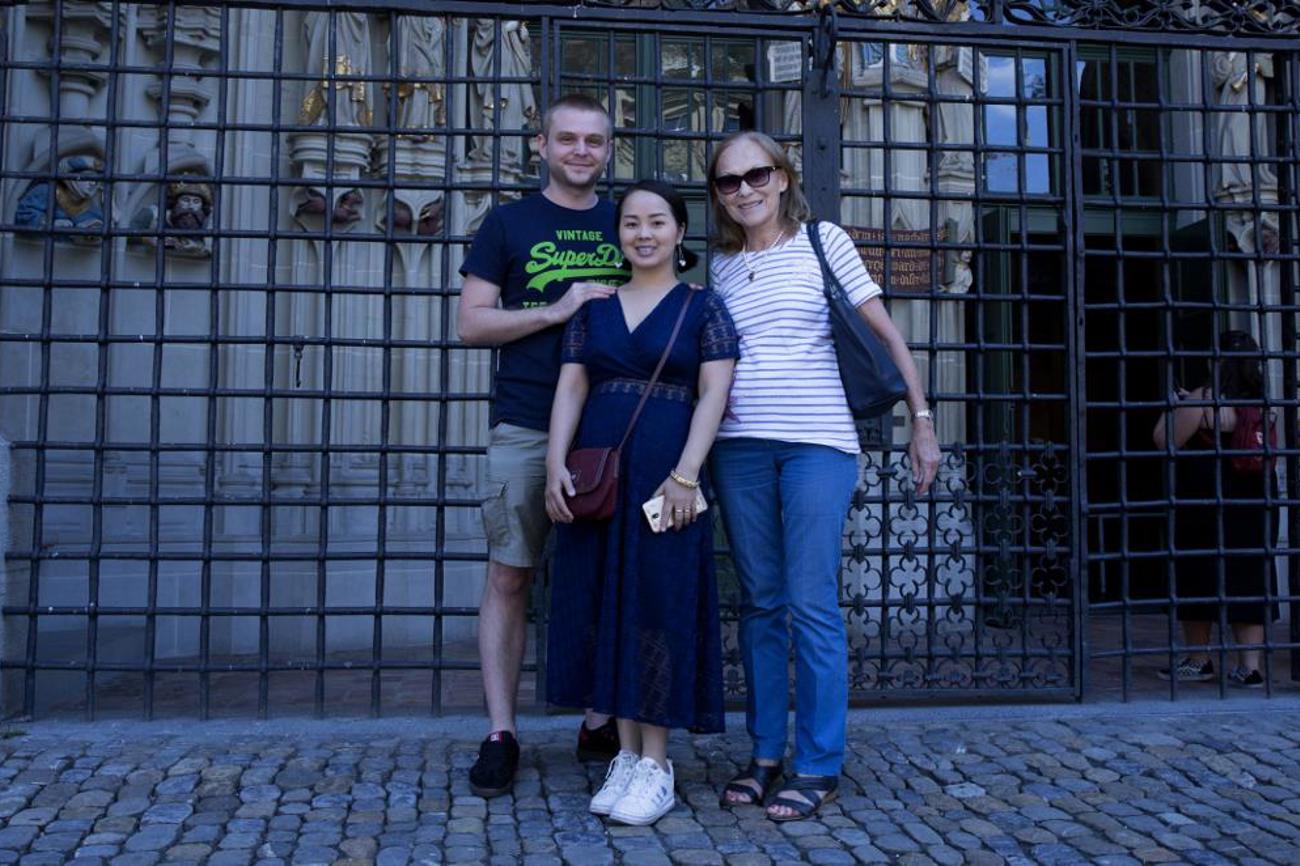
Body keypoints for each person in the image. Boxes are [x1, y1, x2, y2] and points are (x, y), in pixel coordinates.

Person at [705, 131, 941, 820]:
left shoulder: (822, 241)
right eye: (728, 181)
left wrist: (921, 420)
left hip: (817, 445)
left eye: (757, 174)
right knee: (760, 604)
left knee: (809, 601)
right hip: (738, 447)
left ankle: (818, 762)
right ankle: (765, 754)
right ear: (718, 194)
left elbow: (888, 334)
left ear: (782, 177)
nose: (745, 189)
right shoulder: (718, 264)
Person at [544, 179, 738, 826]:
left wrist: (687, 474)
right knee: (607, 605)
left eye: (658, 221)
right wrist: (553, 466)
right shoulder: (593, 308)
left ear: (680, 233)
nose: (644, 233)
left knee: (656, 607)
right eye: (631, 222)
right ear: (618, 233)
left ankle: (657, 762)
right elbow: (571, 390)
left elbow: (715, 394)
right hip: (598, 479)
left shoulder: (702, 307)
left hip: (665, 478)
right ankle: (625, 754)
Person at [457, 94, 629, 799]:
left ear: (609, 149)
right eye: (568, 139)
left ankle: (599, 719)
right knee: (510, 574)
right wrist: (557, 309)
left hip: (613, 426)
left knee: (606, 580)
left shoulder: (630, 221)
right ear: (542, 146)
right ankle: (502, 732)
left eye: (594, 141)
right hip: (527, 421)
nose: (581, 151)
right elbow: (470, 324)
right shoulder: (507, 223)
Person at [1152, 329, 1278, 688]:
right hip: (1255, 498)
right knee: (1250, 574)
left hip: (1207, 497)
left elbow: (1163, 439)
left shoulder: (1204, 399)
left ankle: (1199, 658)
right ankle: (1249, 666)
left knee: (1198, 573)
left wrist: (1179, 406)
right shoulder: (1266, 405)